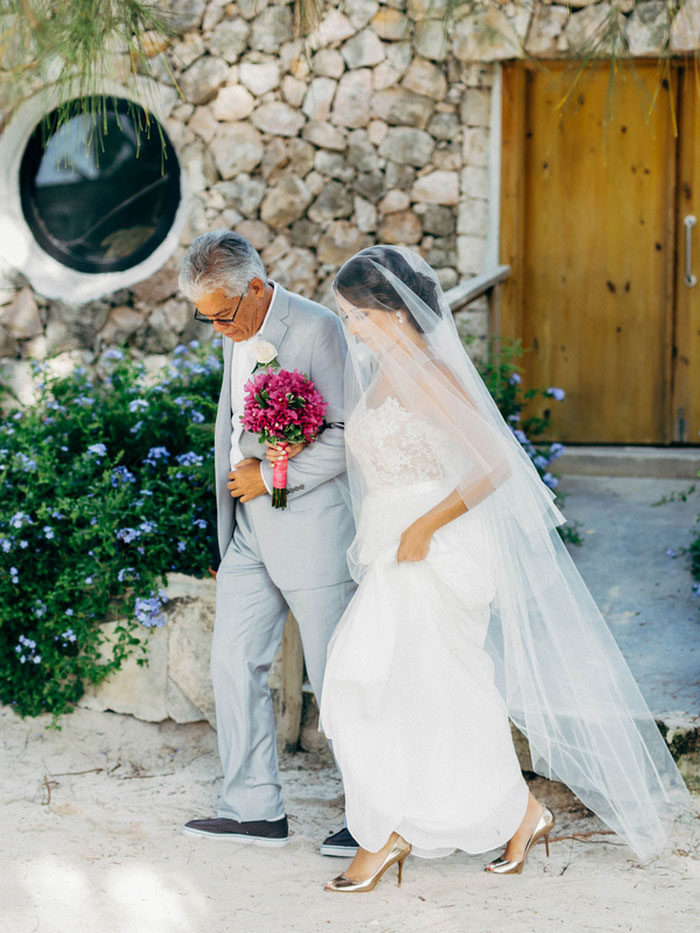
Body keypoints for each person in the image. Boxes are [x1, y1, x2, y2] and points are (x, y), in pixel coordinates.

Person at [281, 245, 691, 892]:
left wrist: (425, 524)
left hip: (435, 547)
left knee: (375, 684)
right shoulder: (383, 372)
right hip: (394, 546)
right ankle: (502, 813)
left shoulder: (427, 374)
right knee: (390, 689)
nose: (350, 328)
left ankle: (393, 831)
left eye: (356, 315)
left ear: (391, 309)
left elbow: (493, 465)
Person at [177, 231, 358, 857]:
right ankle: (254, 809)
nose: (219, 329)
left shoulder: (318, 329)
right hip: (249, 531)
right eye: (207, 320)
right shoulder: (234, 326)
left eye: (224, 316)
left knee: (338, 677)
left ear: (256, 287)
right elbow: (233, 430)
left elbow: (345, 433)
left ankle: (372, 817)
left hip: (311, 528)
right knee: (231, 661)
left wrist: (272, 475)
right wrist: (228, 518)